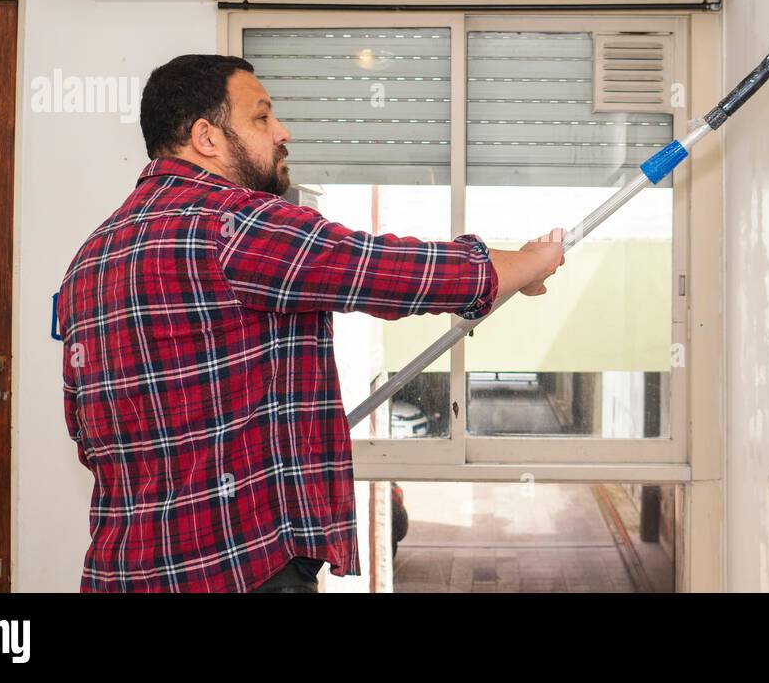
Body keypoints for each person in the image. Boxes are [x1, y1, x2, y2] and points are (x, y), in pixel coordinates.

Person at [57, 54, 564, 592]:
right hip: (237, 568)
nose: (282, 132)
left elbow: (87, 436)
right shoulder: (233, 224)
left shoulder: (90, 257)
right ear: (206, 137)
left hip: (124, 572)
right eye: (261, 118)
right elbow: (387, 271)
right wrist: (530, 262)